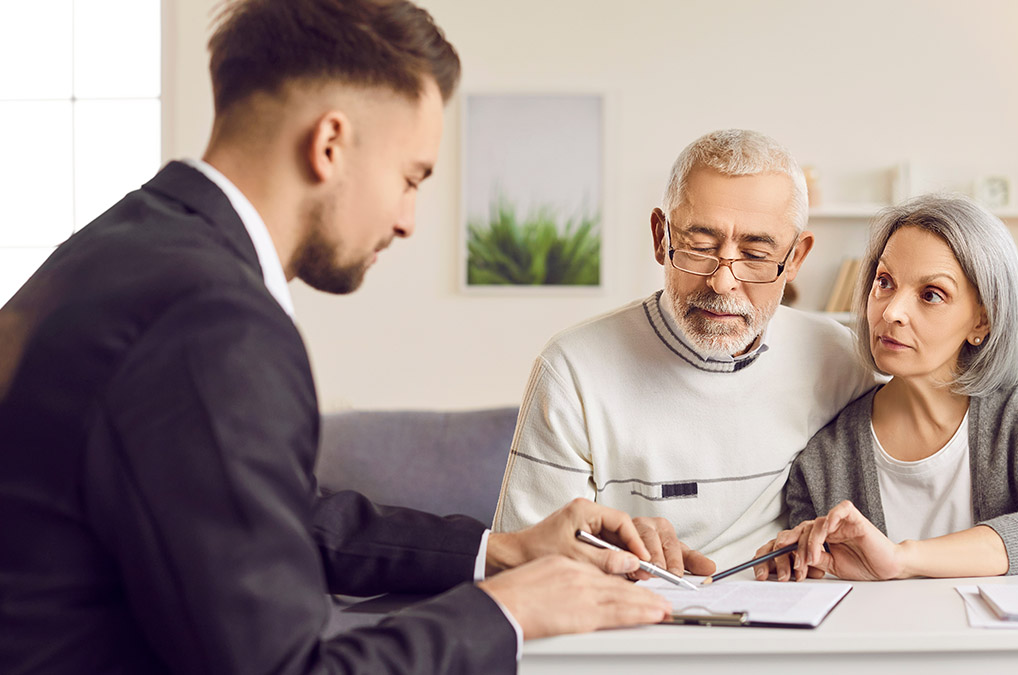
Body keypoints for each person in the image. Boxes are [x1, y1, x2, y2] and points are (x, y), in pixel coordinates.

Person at [0, 2, 670, 673]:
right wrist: (508, 610)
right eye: (410, 178)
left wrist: (501, 551)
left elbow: (267, 516)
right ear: (329, 144)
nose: (407, 221)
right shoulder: (212, 319)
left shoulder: (119, 248)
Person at [493, 130, 1018, 574]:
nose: (725, 281)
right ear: (661, 236)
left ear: (796, 257)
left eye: (756, 252)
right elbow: (519, 562)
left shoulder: (837, 358)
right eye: (700, 245)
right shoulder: (574, 370)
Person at [754, 194, 1018, 582]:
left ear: (982, 321)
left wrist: (899, 559)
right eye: (884, 282)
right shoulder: (824, 462)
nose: (891, 312)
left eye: (931, 295)